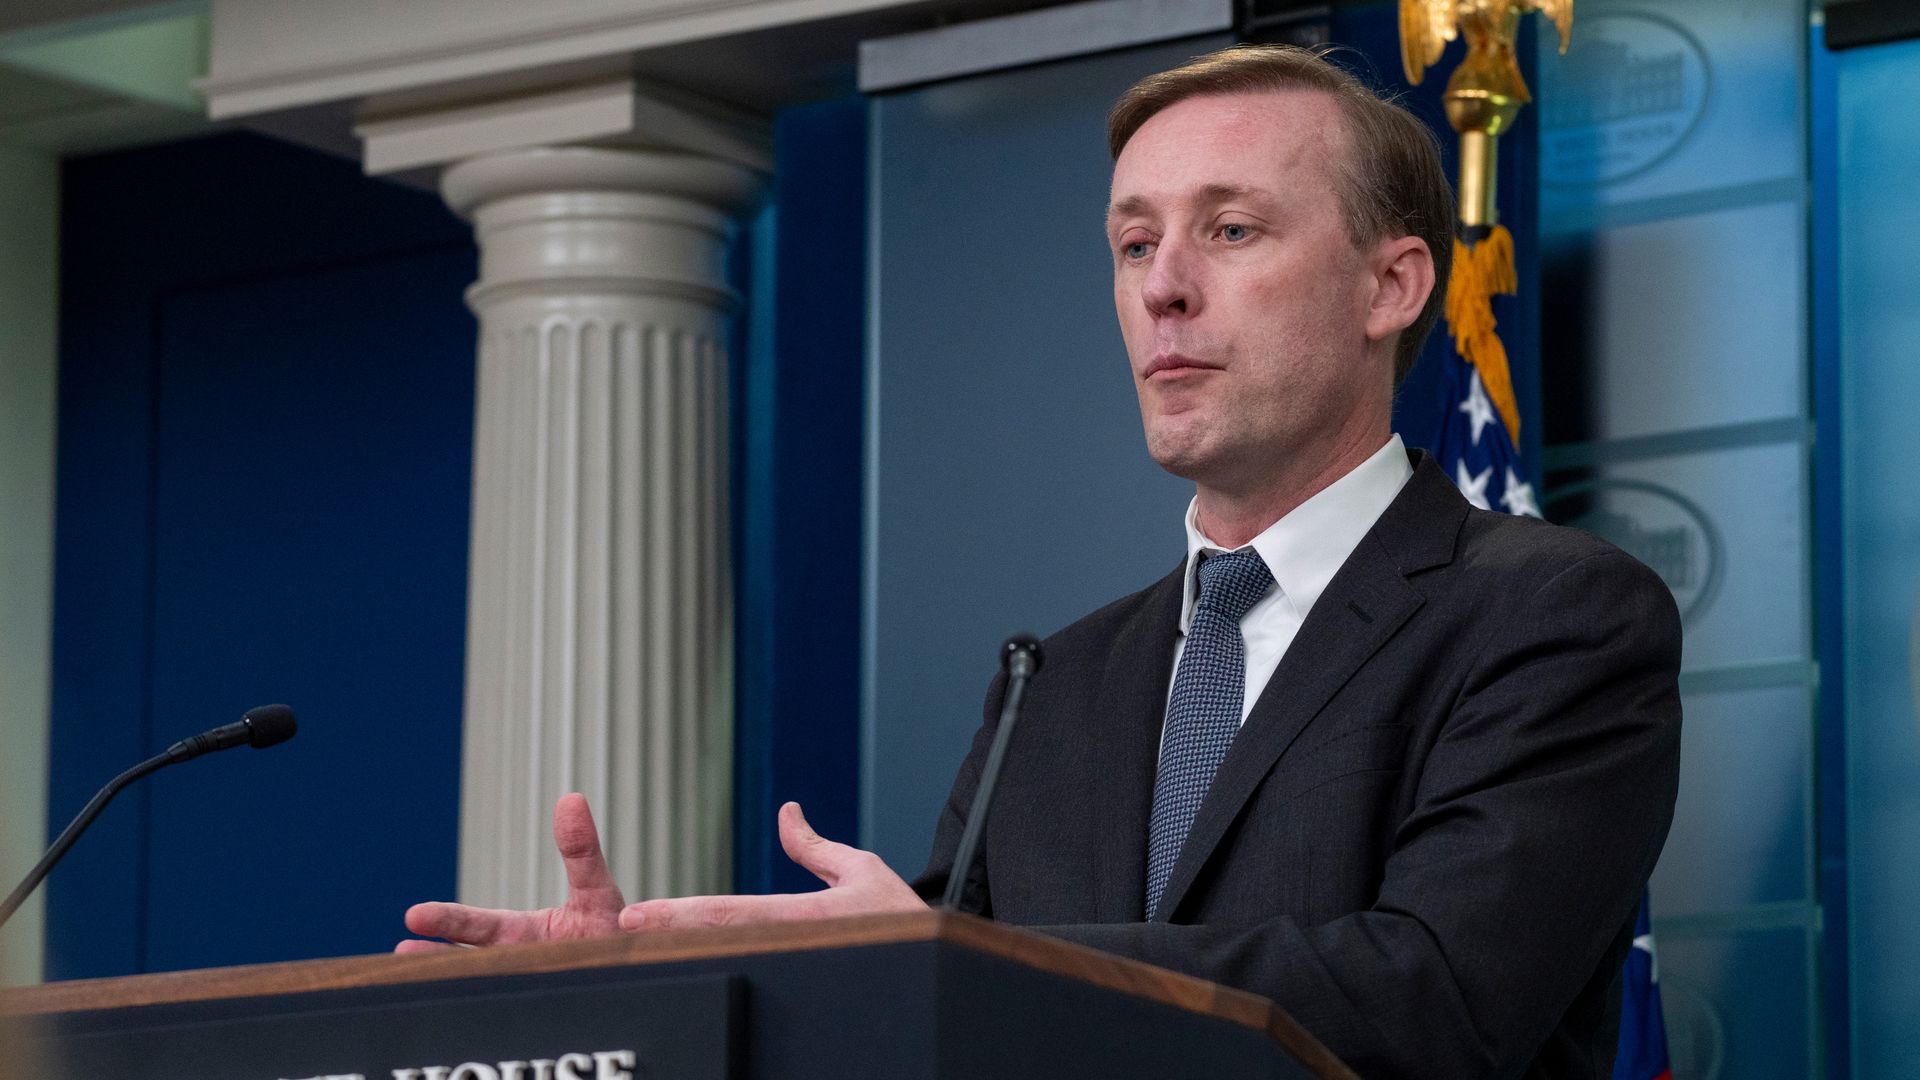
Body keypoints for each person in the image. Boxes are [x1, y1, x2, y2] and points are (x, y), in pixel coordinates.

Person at [400, 44, 1680, 1080]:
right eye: (1133, 245)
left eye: (1229, 231)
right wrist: (665, 1000)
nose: (1163, 289)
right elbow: (936, 1025)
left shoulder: (1550, 614)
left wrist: (948, 953)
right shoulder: (1059, 680)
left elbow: (1437, 1002)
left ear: (1392, 284)